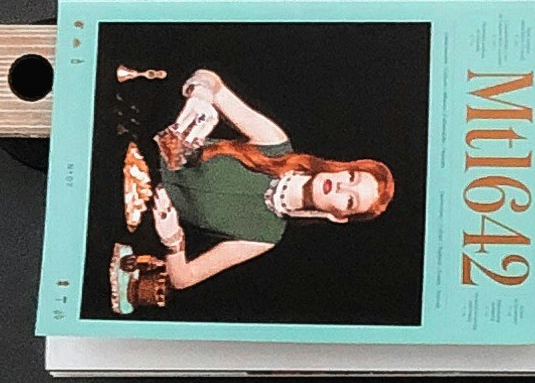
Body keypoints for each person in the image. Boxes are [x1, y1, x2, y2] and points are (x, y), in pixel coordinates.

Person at [129, 65, 395, 300]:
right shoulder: (275, 144)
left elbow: (183, 279)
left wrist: (173, 239)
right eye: (351, 177)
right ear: (342, 168)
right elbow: (210, 79)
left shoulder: (264, 237)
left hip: (131, 210)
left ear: (339, 217)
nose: (342, 186)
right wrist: (202, 94)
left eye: (350, 199)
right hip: (131, 145)